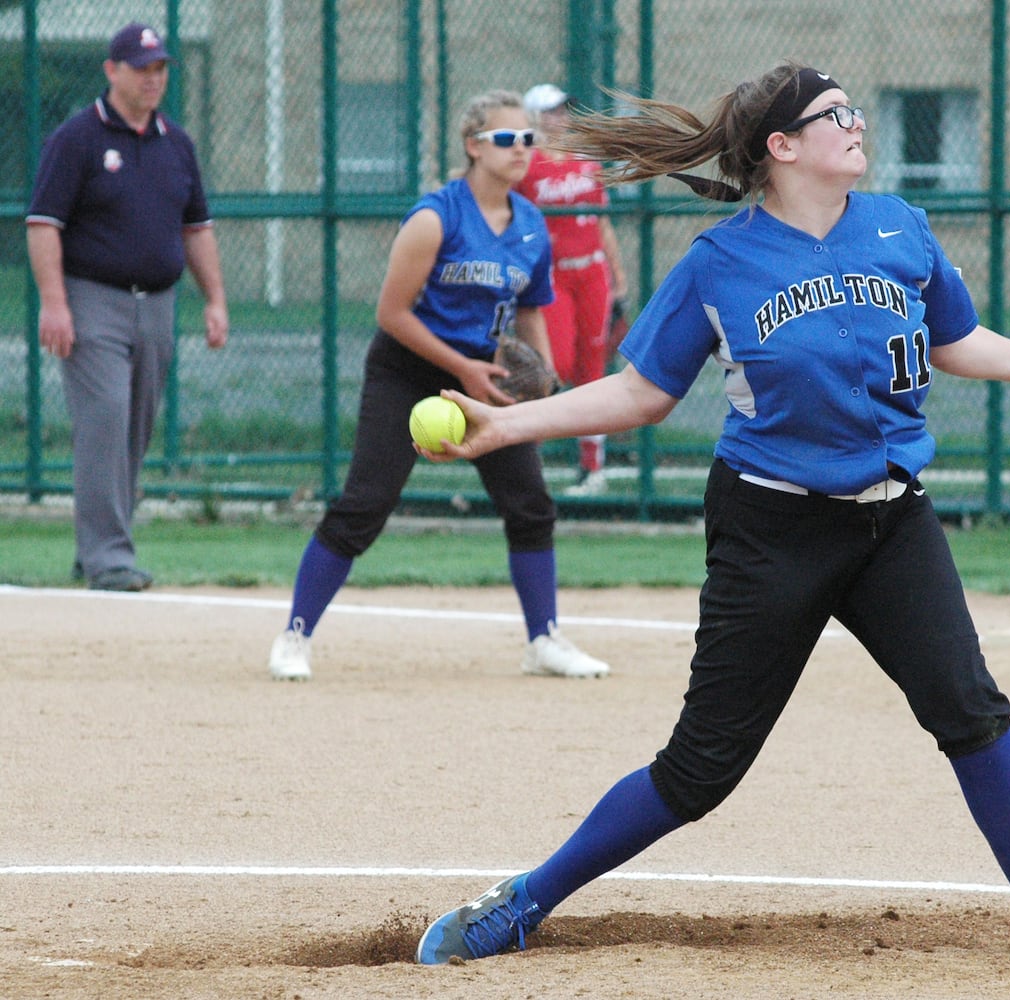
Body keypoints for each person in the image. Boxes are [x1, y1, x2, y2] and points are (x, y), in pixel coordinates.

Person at [413, 64, 1010, 975]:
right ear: (781, 147)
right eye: (833, 114)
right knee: (699, 770)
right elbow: (642, 390)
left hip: (891, 520)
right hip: (770, 529)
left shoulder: (899, 229)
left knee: (969, 710)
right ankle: (520, 903)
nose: (856, 122)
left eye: (854, 108)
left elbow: (951, 338)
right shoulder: (722, 260)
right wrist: (504, 425)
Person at [266, 90, 609, 683]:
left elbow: (529, 312)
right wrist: (464, 369)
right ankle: (294, 635)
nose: (522, 149)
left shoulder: (531, 225)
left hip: (486, 376)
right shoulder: (435, 217)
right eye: (507, 139)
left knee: (531, 505)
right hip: (409, 370)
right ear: (474, 147)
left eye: (528, 138)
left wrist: (545, 379)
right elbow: (392, 313)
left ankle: (543, 640)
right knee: (364, 505)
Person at [26, 22, 228, 592]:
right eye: (141, 68)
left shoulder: (176, 143)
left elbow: (197, 227)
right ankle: (110, 558)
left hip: (158, 303)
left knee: (134, 426)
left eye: (160, 68)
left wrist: (214, 299)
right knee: (105, 419)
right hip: (93, 298)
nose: (153, 78)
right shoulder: (77, 138)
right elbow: (44, 225)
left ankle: (94, 547)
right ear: (112, 71)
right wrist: (54, 304)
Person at [515, 84, 629, 497]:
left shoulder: (586, 158)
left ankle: (591, 468)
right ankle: (527, 459)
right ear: (532, 117)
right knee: (555, 363)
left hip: (592, 273)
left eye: (562, 110)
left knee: (592, 369)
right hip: (552, 276)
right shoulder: (525, 164)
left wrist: (619, 278)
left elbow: (601, 222)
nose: (559, 118)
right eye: (549, 111)